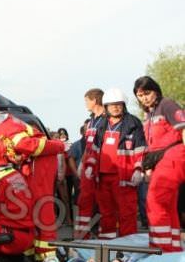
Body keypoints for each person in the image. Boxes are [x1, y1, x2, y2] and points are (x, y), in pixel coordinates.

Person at [0, 95, 65, 261]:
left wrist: (59, 146)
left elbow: (29, 146)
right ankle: (29, 252)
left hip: (40, 162)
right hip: (28, 162)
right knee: (28, 205)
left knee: (41, 204)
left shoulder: (6, 130)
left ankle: (48, 256)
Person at [83, 88, 146, 239]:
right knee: (106, 214)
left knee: (127, 214)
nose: (116, 107)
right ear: (106, 107)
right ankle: (107, 246)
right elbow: (95, 150)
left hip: (124, 177)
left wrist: (139, 169)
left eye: (119, 104)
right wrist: (90, 166)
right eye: (112, 105)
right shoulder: (102, 125)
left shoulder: (133, 123)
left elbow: (140, 148)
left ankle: (128, 249)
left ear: (124, 105)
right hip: (103, 178)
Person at [133, 76, 184, 252]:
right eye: (139, 95)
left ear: (156, 91)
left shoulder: (167, 105)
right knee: (167, 205)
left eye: (147, 93)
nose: (144, 98)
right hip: (160, 160)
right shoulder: (149, 114)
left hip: (174, 155)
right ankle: (173, 248)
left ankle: (160, 248)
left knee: (155, 201)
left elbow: (183, 128)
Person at [74, 89, 105, 239]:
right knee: (83, 201)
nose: (85, 104)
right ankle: (82, 235)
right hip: (88, 165)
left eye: (87, 100)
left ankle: (104, 236)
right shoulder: (92, 120)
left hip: (100, 166)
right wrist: (82, 163)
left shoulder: (106, 119)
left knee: (103, 202)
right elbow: (88, 144)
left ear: (95, 100)